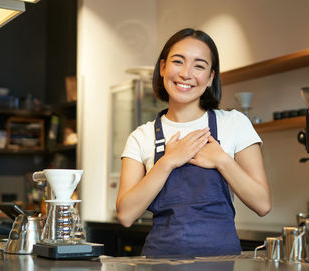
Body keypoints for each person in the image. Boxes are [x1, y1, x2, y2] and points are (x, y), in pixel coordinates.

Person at [116, 28, 271, 257]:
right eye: (178, 61)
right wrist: (167, 162)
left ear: (210, 78)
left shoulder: (235, 123)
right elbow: (126, 215)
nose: (186, 73)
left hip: (222, 262)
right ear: (162, 68)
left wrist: (221, 160)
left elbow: (262, 204)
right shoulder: (142, 136)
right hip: (160, 263)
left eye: (199, 66)